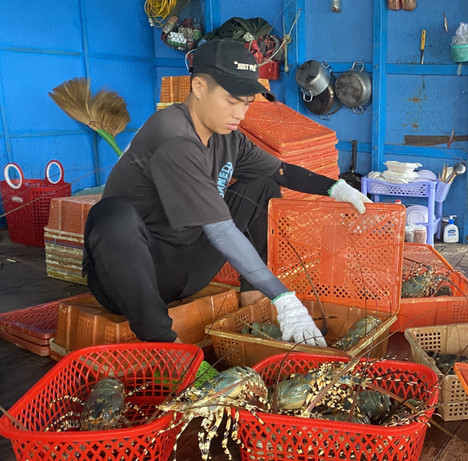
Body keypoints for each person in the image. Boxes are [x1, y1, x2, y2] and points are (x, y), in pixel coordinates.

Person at [82, 39, 371, 347]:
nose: (239, 113)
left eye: (246, 103)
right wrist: (284, 296)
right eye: (231, 101)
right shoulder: (172, 136)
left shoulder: (228, 137)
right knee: (111, 216)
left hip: (185, 269)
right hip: (131, 280)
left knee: (262, 184)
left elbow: (279, 170)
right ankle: (164, 343)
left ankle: (252, 293)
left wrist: (336, 187)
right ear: (198, 87)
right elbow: (220, 231)